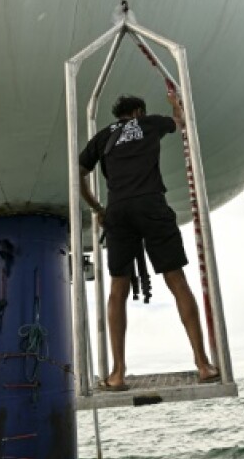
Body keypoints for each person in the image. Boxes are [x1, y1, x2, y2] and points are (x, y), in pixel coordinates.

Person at [78, 91, 219, 391]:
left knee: (118, 289)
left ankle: (117, 374)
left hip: (118, 210)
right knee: (176, 281)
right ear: (139, 112)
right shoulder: (151, 123)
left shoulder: (103, 137)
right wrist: (174, 103)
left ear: (119, 116)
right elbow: (181, 122)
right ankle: (203, 364)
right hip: (151, 204)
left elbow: (79, 174)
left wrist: (97, 208)